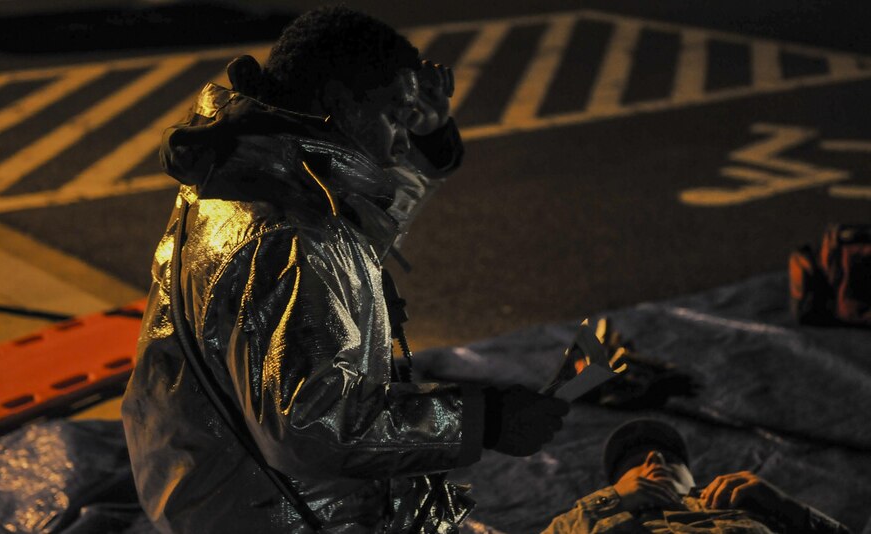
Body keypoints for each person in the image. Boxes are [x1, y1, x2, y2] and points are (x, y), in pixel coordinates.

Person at [121, 6, 568, 533]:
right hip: (273, 514)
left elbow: (357, 232)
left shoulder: (255, 177)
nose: (401, 139)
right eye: (395, 117)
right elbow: (311, 427)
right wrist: (483, 420)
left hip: (223, 492)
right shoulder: (288, 236)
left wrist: (426, 139)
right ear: (338, 103)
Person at [542, 419, 852, 534]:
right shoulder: (588, 520)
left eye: (672, 459)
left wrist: (788, 509)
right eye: (635, 462)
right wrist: (612, 501)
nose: (655, 458)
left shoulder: (745, 507)